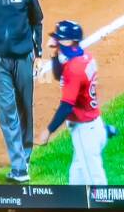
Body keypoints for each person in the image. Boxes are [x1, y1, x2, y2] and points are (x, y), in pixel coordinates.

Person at [33, 20, 109, 185]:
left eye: (59, 39)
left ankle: (104, 210)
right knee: (76, 178)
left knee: (97, 185)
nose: (55, 42)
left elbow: (67, 106)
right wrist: (54, 55)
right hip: (94, 124)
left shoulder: (74, 68)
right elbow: (59, 74)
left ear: (69, 41)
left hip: (85, 130)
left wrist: (48, 131)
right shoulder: (84, 57)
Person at [0, 0, 44, 182]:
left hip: (23, 58)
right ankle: (19, 166)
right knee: (7, 112)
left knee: (25, 106)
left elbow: (37, 20)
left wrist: (39, 52)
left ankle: (25, 154)